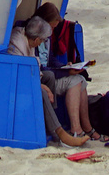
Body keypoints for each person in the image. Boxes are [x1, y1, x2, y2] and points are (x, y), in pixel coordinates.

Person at [7, 18, 87, 147]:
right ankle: (59, 133)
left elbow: (34, 69)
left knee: (48, 76)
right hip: (15, 83)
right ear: (37, 40)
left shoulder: (27, 38)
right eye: (42, 40)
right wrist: (43, 86)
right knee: (43, 92)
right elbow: (21, 77)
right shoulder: (17, 47)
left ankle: (51, 123)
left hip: (24, 78)